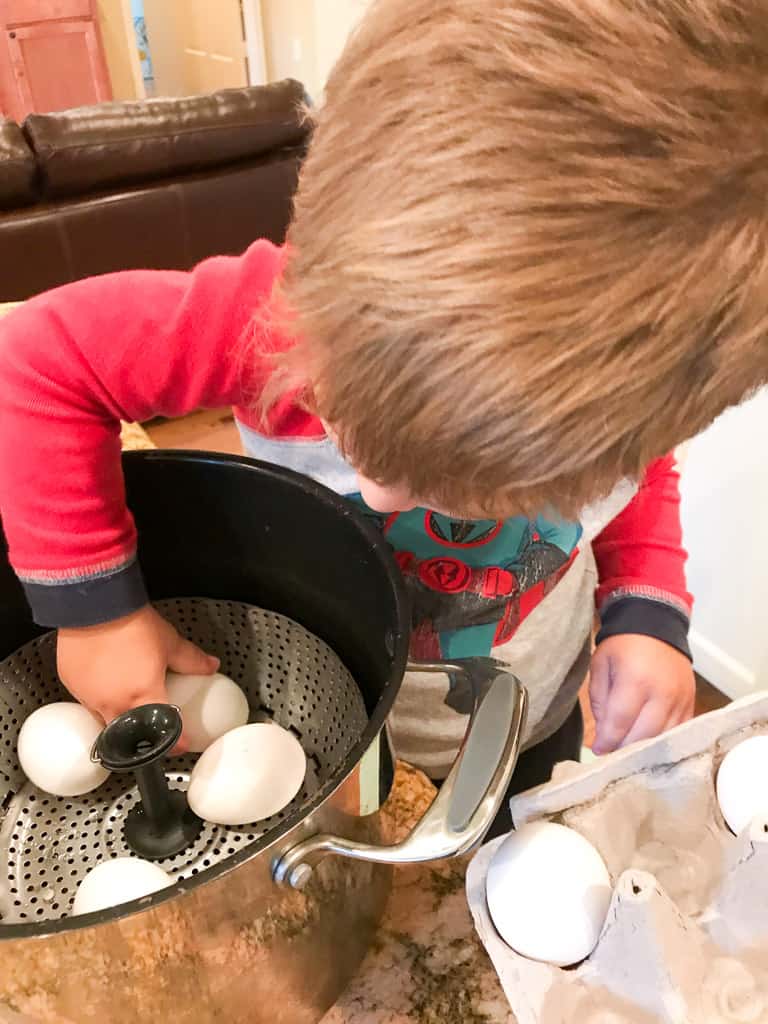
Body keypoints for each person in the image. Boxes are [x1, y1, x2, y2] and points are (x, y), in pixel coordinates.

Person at [1, 0, 765, 832]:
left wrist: (647, 611)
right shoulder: (270, 319)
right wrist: (99, 612)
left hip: (529, 708)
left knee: (507, 831)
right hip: (349, 711)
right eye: (345, 423)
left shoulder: (612, 401)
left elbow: (639, 476)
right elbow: (36, 362)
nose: (375, 493)